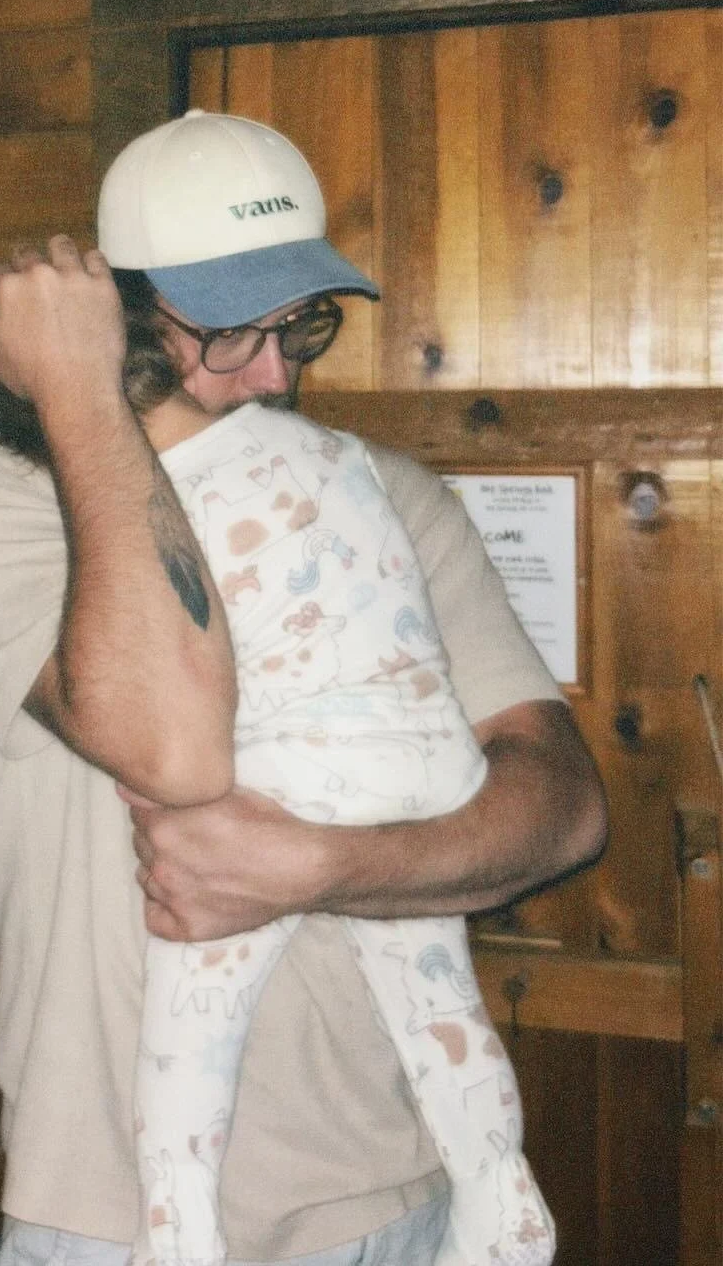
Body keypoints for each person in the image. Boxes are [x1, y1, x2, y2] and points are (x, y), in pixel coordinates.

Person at [0, 111, 607, 1266]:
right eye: (232, 333)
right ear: (122, 320)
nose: (279, 373)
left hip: (391, 1199)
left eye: (301, 325)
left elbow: (567, 808)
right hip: (117, 1218)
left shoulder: (384, 494)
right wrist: (80, 395)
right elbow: (171, 748)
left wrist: (324, 870)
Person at [125, 340, 551, 1266]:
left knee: (190, 1031)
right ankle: (501, 1185)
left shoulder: (147, 495)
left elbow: (161, 705)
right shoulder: (343, 455)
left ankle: (176, 1227)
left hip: (303, 770)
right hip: (433, 761)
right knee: (437, 1007)